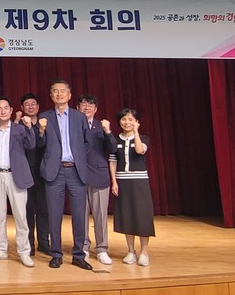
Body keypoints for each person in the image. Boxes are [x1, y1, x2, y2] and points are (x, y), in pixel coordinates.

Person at [37, 79, 94, 270]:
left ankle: (78, 255)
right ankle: (56, 254)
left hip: (76, 171)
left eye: (63, 91)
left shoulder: (79, 117)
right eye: (55, 91)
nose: (59, 94)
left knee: (79, 215)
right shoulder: (44, 117)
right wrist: (41, 130)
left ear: (69, 95)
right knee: (54, 215)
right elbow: (39, 145)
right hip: (55, 171)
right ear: (51, 95)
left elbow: (88, 142)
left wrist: (78, 158)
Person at [0, 97, 36, 268]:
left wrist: (29, 128)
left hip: (16, 175)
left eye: (6, 108)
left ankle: (24, 251)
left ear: (11, 110)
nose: (3, 111)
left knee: (21, 216)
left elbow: (31, 145)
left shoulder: (20, 129)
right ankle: (0, 248)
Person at [110, 108, 155, 266]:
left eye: (130, 119)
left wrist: (135, 132)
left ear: (136, 122)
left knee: (142, 216)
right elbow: (112, 161)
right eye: (124, 119)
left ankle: (144, 252)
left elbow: (139, 150)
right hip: (122, 181)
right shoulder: (115, 140)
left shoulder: (143, 138)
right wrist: (114, 182)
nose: (126, 122)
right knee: (126, 216)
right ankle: (131, 251)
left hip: (139, 181)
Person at [78, 94, 117, 265]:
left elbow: (112, 148)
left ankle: (102, 249)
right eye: (83, 104)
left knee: (100, 216)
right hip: (78, 176)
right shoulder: (73, 125)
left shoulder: (101, 126)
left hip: (99, 176)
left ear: (96, 109)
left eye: (90, 105)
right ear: (78, 108)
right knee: (81, 215)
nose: (86, 107)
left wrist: (108, 132)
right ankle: (83, 247)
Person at [14, 93, 50, 256]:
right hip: (25, 172)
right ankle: (29, 244)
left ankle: (44, 243)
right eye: (26, 104)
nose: (30, 106)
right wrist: (17, 121)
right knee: (27, 209)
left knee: (43, 209)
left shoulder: (45, 123)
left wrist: (42, 130)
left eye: (33, 103)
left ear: (38, 106)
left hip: (43, 172)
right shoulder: (18, 126)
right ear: (22, 108)